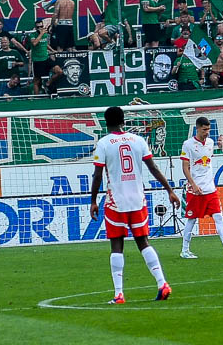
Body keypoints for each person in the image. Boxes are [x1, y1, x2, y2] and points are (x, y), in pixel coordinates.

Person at [88, 104, 181, 304]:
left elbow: (97, 175)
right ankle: (162, 283)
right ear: (123, 121)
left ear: (107, 123)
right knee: (143, 242)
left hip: (116, 202)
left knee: (116, 245)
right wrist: (170, 191)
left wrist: (93, 201)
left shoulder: (104, 143)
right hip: (138, 200)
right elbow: (153, 168)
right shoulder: (138, 140)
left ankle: (119, 294)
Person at [178, 116, 223, 259]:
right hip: (195, 190)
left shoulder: (210, 142)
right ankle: (184, 250)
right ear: (198, 128)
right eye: (204, 129)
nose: (207, 132)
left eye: (208, 129)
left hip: (210, 189)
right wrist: (193, 185)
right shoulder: (188, 144)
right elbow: (185, 167)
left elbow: (206, 165)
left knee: (219, 217)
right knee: (192, 219)